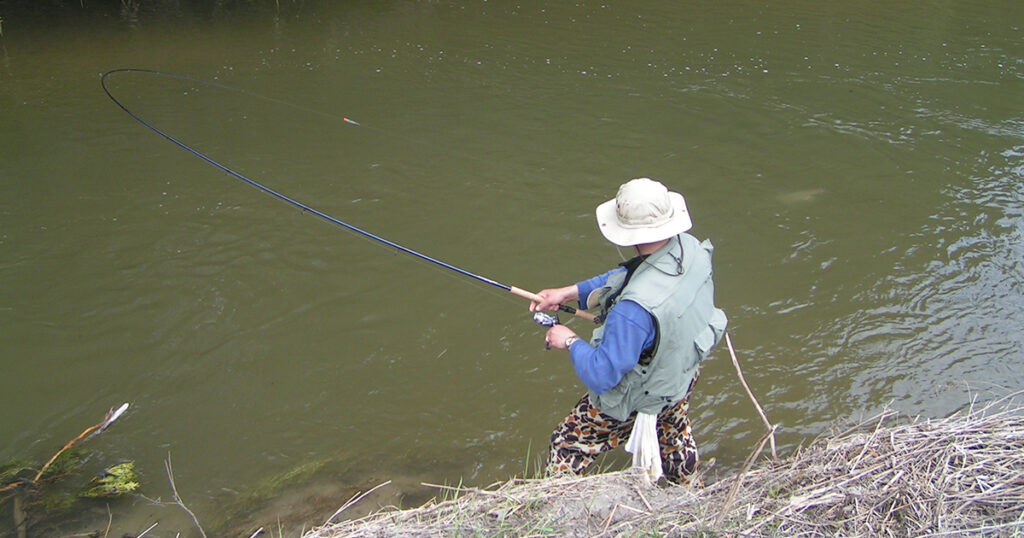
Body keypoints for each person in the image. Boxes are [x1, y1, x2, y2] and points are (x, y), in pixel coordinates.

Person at [530, 177, 727, 485]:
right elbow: (630, 274)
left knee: (567, 444)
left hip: (643, 392)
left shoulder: (632, 311)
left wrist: (568, 340)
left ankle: (558, 502)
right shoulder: (690, 248)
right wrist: (568, 293)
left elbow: (603, 375)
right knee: (673, 434)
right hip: (680, 375)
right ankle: (690, 491)